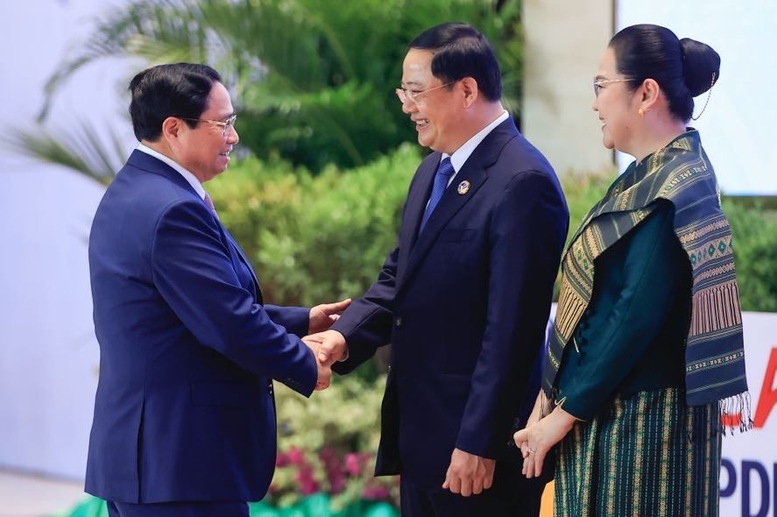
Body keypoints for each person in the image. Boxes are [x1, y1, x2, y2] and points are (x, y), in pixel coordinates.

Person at [311, 22, 569, 516]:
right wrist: (344, 336)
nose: (406, 105)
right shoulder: (434, 168)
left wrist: (479, 441)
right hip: (423, 441)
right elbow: (400, 279)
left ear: (467, 90)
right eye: (403, 91)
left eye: (415, 91)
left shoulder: (523, 181)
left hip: (476, 454)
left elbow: (512, 331)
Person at [85, 63, 348, 517]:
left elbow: (193, 309)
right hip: (180, 466)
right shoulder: (171, 209)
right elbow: (227, 323)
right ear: (174, 129)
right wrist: (305, 362)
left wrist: (302, 321)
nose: (234, 136)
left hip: (156, 463)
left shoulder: (137, 189)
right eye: (222, 124)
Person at [513, 24, 751, 516]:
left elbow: (631, 316)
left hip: (647, 430)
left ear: (645, 94)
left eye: (601, 86)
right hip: (617, 415)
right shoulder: (650, 174)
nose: (595, 103)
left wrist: (560, 418)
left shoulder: (677, 186)